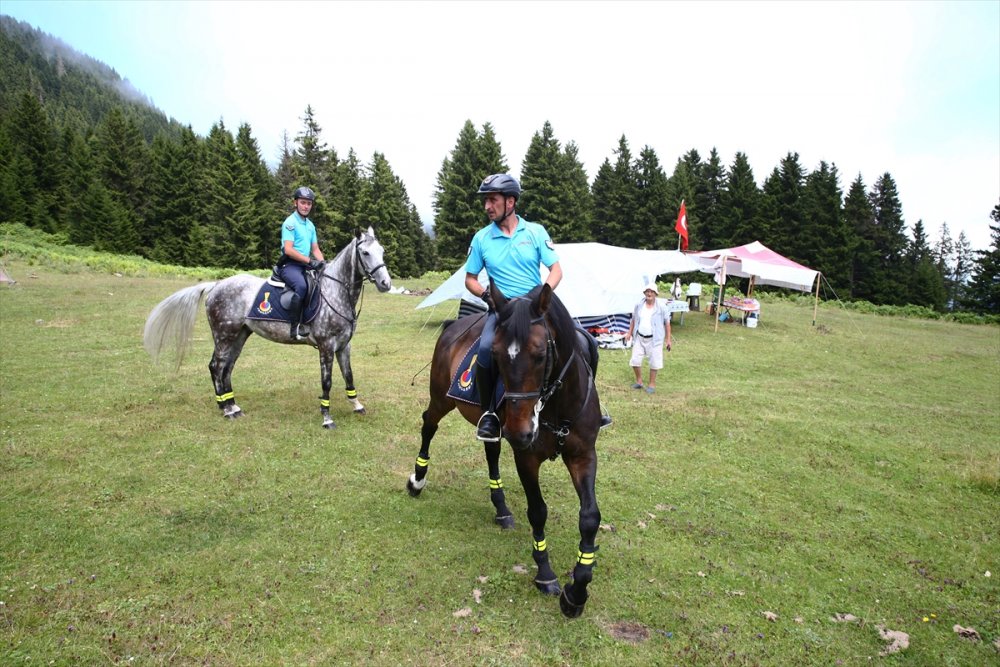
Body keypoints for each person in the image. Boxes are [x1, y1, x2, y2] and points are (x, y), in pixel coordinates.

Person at [464, 173, 610, 441]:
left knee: (585, 341)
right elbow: (469, 280)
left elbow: (556, 269)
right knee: (485, 351)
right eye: (485, 201)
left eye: (492, 200)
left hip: (536, 306)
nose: (487, 206)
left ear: (511, 201)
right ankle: (490, 416)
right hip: (504, 311)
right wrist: (487, 295)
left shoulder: (535, 232)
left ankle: (591, 406)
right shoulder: (481, 238)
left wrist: (543, 294)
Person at [277, 186, 325, 340]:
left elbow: (315, 249)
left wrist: (324, 264)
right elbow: (288, 250)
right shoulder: (290, 222)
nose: (306, 206)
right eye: (303, 203)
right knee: (302, 286)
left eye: (309, 204)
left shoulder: (310, 225)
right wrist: (310, 261)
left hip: (304, 265)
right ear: (295, 203)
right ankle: (294, 327)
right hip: (290, 265)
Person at [624, 282, 672, 394]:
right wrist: (629, 333)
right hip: (639, 337)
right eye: (647, 291)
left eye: (651, 292)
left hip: (655, 339)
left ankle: (651, 384)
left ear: (656, 294)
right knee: (635, 360)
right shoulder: (639, 305)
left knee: (654, 362)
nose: (649, 293)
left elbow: (667, 323)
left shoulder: (662, 307)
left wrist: (668, 340)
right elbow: (634, 319)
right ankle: (639, 381)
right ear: (644, 293)